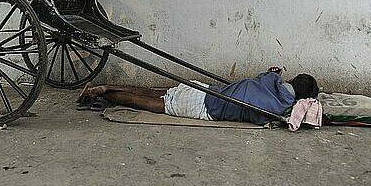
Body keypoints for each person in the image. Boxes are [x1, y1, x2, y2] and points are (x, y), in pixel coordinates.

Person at [77, 68, 319, 125]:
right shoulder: (277, 109)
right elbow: (260, 118)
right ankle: (106, 93)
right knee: (145, 104)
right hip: (201, 107)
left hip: (202, 88)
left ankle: (105, 86)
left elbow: (266, 77)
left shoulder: (270, 78)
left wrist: (273, 72)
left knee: (151, 91)